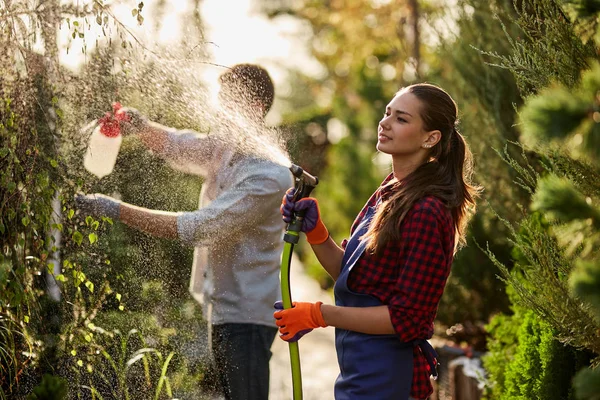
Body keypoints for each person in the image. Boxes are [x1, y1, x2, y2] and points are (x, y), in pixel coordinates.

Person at [77, 64, 293, 400]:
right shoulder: (228, 149)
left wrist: (114, 209)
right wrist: (140, 126)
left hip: (248, 317)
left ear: (252, 108)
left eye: (225, 102)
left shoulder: (269, 176)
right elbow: (180, 146)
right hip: (223, 305)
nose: (216, 109)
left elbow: (198, 227)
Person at [276, 83, 480, 400]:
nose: (385, 123)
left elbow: (407, 318)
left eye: (401, 119)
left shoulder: (426, 210)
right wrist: (317, 233)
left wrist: (320, 314)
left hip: (390, 377)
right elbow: (355, 280)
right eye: (387, 113)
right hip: (359, 371)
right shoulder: (389, 191)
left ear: (431, 138)